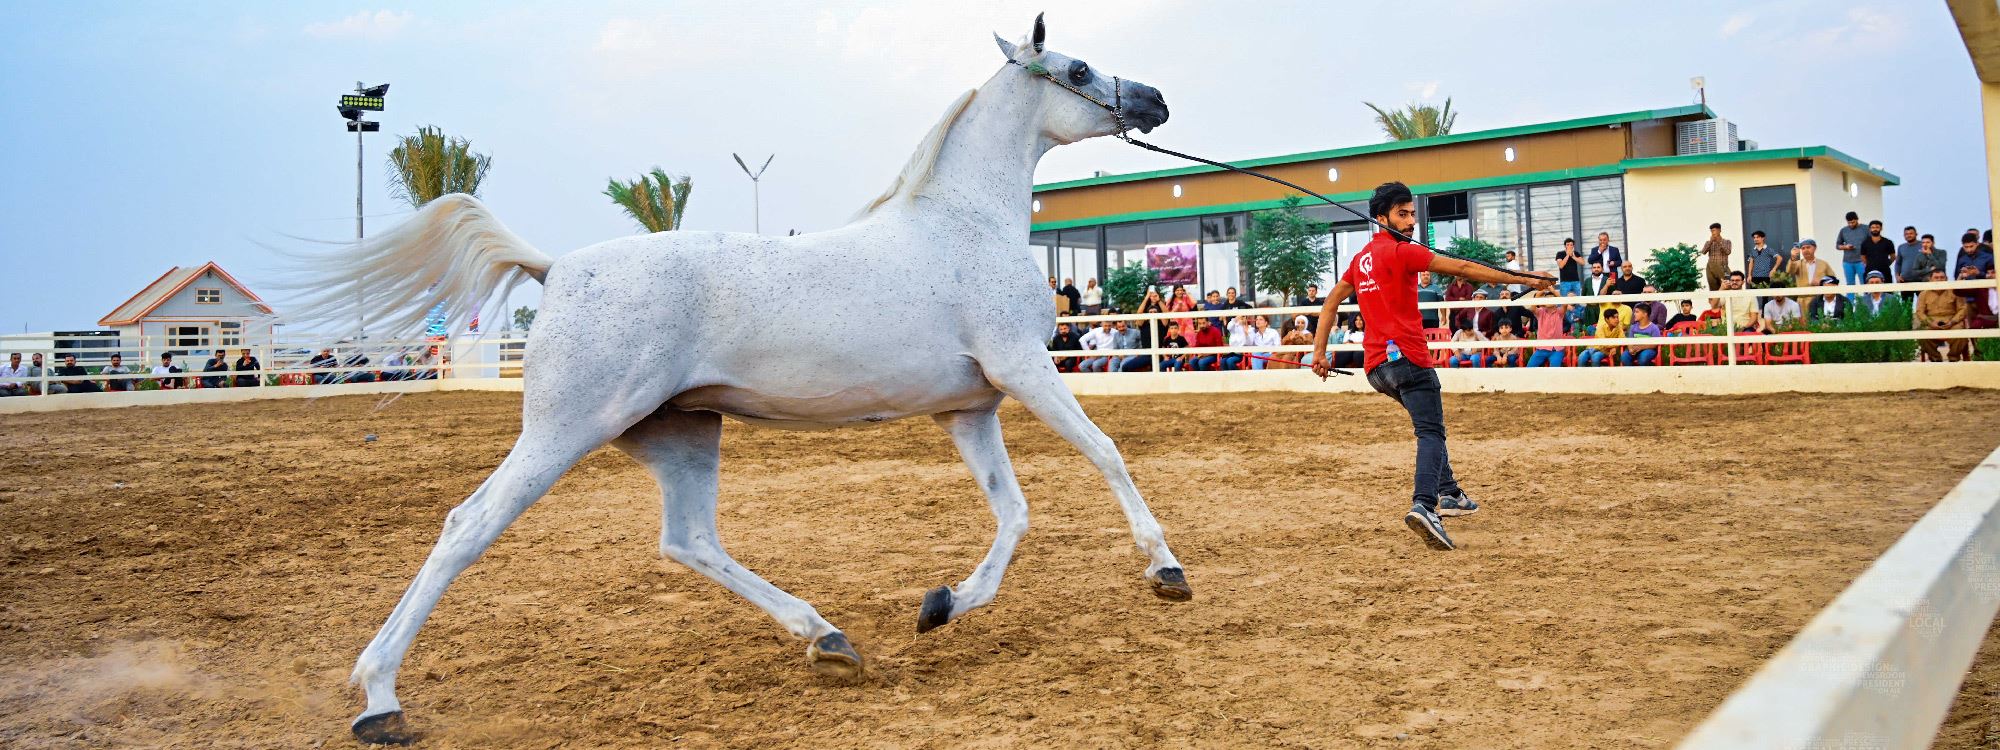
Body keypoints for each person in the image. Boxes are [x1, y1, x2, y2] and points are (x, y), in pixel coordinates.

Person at [1308, 181, 1556, 551]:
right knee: (1431, 433)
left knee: (1429, 426)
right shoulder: (1404, 252)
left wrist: (1319, 354)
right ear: (1381, 218)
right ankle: (1425, 505)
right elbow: (1462, 266)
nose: (1411, 221)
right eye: (1402, 214)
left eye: (1412, 214)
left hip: (1378, 369)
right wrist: (1525, 278)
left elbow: (1329, 305)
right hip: (1409, 360)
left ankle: (1450, 491)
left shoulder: (1360, 260)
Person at [1914, 268, 1970, 362]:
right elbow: (1920, 312)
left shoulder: (1954, 291)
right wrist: (1930, 323)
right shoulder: (1923, 294)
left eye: (1942, 277)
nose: (1939, 280)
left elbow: (1962, 309)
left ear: (1946, 279)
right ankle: (1935, 359)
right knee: (1923, 334)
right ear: (1930, 280)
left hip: (1952, 320)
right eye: (1936, 278)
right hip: (1932, 321)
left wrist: (1952, 322)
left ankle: (1953, 358)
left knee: (1960, 333)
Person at [1525, 289, 1569, 367]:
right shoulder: (1540, 312)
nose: (1549, 300)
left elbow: (1565, 304)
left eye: (1551, 298)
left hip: (1556, 349)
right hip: (1541, 348)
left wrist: (1554, 291)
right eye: (1547, 298)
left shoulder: (1559, 312)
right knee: (1530, 367)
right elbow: (1532, 308)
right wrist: (1542, 290)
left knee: (1554, 368)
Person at [1834, 211, 1869, 289]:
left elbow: (1871, 242)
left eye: (1853, 222)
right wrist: (1845, 247)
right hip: (1847, 262)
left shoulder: (1866, 228)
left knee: (1864, 283)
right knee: (1850, 285)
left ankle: (1865, 301)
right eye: (1849, 223)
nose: (1851, 224)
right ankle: (1849, 301)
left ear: (1857, 219)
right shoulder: (1843, 230)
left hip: (1862, 261)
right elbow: (1837, 245)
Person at [1858, 220, 1895, 289]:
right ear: (1869, 229)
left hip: (1885, 271)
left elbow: (1893, 256)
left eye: (1877, 227)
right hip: (1869, 271)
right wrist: (1870, 264)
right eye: (1873, 227)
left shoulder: (1888, 242)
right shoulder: (1865, 243)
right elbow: (1863, 257)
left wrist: (1886, 263)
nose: (1875, 229)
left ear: (1881, 228)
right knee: (1869, 292)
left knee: (1888, 292)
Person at [1701, 222, 1732, 291]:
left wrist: (1719, 242)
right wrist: (1710, 242)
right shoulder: (1708, 242)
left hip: (1723, 266)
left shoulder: (1727, 241)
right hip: (1710, 266)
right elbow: (1703, 252)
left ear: (1719, 230)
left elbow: (1728, 252)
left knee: (1727, 285)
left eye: (1714, 230)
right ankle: (1716, 301)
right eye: (1711, 231)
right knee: (1713, 287)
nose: (1713, 233)